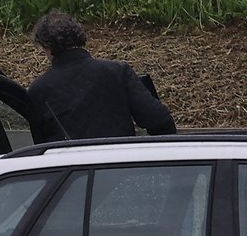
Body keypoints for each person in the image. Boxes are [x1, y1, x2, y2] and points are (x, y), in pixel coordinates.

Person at [26, 10, 176, 143]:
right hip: (118, 165)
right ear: (79, 37)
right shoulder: (117, 71)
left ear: (45, 47)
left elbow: (40, 145)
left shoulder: (38, 90)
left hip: (69, 170)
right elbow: (159, 120)